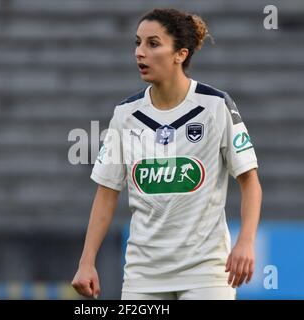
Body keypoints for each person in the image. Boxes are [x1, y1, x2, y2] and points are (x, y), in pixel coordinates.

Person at [71, 8, 262, 300]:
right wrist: (87, 262)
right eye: (137, 42)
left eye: (153, 43)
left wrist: (246, 242)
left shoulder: (215, 106)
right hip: (143, 275)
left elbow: (250, 181)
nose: (140, 52)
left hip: (206, 273)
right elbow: (107, 191)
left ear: (180, 54)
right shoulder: (126, 114)